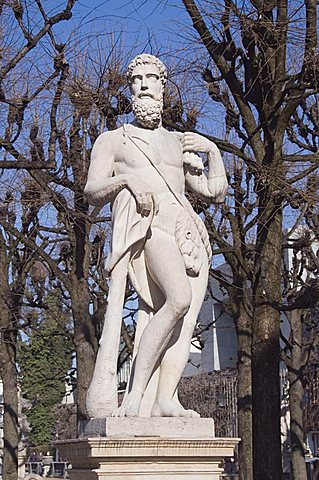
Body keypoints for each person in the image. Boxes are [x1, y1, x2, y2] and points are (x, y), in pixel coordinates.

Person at [85, 53, 228, 418]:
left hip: (190, 235)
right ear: (130, 88)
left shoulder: (178, 142)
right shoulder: (113, 141)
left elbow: (214, 192)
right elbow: (91, 190)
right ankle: (134, 397)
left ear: (163, 87)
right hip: (151, 230)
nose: (144, 84)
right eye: (137, 79)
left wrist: (213, 152)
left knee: (184, 321)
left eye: (152, 78)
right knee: (177, 300)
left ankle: (166, 399)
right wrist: (127, 180)